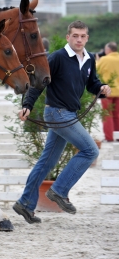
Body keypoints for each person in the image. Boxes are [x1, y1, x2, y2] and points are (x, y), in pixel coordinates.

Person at [12, 20, 112, 224]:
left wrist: (101, 88)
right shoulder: (57, 57)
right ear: (68, 37)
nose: (79, 39)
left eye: (83, 36)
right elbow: (39, 82)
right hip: (58, 113)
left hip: (68, 115)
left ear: (87, 38)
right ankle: (59, 190)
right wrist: (28, 105)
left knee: (46, 162)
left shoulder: (89, 59)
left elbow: (92, 84)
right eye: (75, 35)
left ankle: (25, 204)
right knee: (90, 151)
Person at [96, 41, 119, 142]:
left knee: (107, 114)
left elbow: (96, 71)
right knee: (117, 115)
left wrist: (97, 60)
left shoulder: (104, 59)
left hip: (107, 91)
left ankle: (109, 137)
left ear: (108, 50)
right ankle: (118, 136)